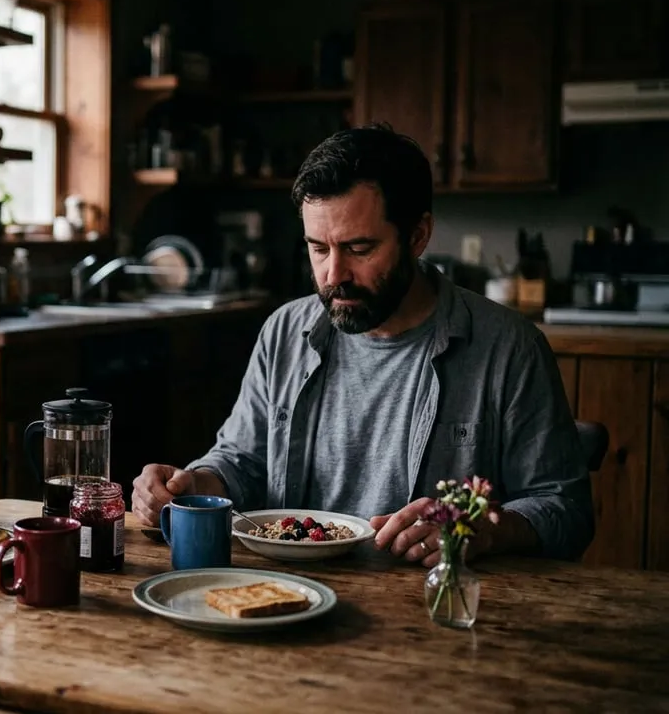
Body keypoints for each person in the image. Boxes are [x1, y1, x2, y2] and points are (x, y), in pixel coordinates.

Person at [133, 125, 593, 565]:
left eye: (359, 249)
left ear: (417, 236)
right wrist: (189, 484)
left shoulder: (509, 348)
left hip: (429, 604)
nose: (333, 275)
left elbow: (566, 511)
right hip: (288, 596)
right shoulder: (283, 333)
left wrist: (481, 530)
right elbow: (241, 462)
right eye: (318, 248)